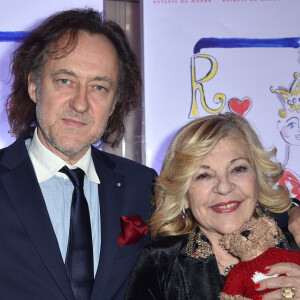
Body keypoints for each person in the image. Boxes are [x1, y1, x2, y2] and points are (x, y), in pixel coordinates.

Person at [0, 8, 156, 300]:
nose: (81, 104)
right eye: (65, 81)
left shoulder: (144, 187)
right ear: (34, 85)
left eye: (99, 87)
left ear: (113, 103)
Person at [126, 113, 300, 300]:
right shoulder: (161, 264)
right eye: (204, 175)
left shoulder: (295, 243)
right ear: (183, 195)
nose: (224, 187)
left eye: (238, 169)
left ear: (258, 179)